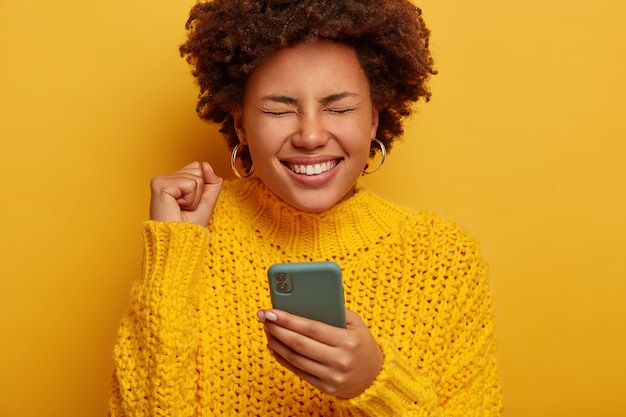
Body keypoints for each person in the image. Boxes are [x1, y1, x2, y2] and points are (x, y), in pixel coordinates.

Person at [108, 0, 502, 415]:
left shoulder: (445, 258)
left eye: (339, 108)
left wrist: (376, 385)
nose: (311, 135)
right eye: (279, 109)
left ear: (373, 119)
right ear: (241, 123)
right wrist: (173, 256)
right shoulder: (191, 235)